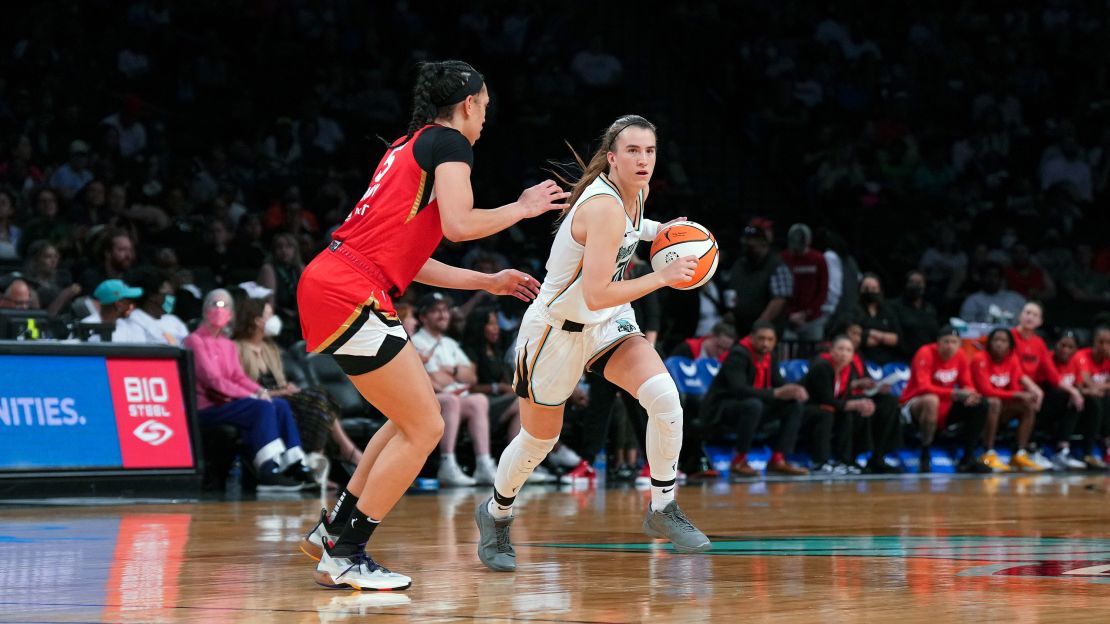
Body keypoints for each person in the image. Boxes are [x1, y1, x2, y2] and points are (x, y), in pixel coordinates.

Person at [297, 60, 566, 591]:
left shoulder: (408, 145)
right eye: (485, 104)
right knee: (426, 427)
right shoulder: (449, 145)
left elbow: (410, 260)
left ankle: (334, 529)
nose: (487, 115)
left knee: (405, 421)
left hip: (339, 280)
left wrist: (486, 282)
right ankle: (346, 554)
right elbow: (461, 224)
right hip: (350, 289)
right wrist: (522, 207)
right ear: (468, 104)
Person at [474, 114, 711, 575]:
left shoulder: (637, 194)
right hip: (556, 330)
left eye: (650, 151)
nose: (643, 160)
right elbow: (596, 290)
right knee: (538, 442)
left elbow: (630, 236)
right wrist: (661, 276)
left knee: (665, 399)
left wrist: (665, 230)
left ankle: (663, 508)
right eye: (633, 152)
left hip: (607, 322)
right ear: (612, 158)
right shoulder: (600, 206)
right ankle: (496, 513)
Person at [185, 289, 315, 491]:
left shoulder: (227, 344)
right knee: (261, 408)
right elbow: (213, 380)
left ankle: (295, 462)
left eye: (225, 305)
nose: (220, 310)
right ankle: (267, 470)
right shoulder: (195, 341)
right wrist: (252, 395)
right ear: (205, 309)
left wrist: (260, 391)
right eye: (215, 304)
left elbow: (238, 376)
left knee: (278, 404)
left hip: (230, 404)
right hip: (208, 406)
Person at [232, 297, 364, 473]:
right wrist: (280, 392)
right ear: (256, 320)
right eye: (269, 315)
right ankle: (335, 454)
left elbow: (280, 381)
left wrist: (286, 388)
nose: (274, 320)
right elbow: (245, 387)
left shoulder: (271, 348)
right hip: (262, 400)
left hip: (282, 397)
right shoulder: (236, 348)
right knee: (318, 398)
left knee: (321, 398)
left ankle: (321, 459)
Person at [411, 291, 497, 487]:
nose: (443, 315)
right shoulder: (416, 342)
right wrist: (456, 375)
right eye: (436, 311)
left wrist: (453, 370)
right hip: (430, 400)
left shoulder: (450, 343)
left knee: (479, 400)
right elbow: (434, 380)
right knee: (451, 400)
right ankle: (447, 463)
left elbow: (472, 377)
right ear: (423, 317)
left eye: (445, 310)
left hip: (454, 398)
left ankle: (484, 463)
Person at [703, 321, 810, 478]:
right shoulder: (738, 354)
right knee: (753, 405)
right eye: (761, 338)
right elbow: (739, 390)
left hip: (752, 407)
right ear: (752, 337)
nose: (765, 343)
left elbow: (778, 383)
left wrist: (794, 390)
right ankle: (739, 460)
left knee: (793, 405)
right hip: (723, 408)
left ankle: (778, 459)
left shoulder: (769, 356)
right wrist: (776, 393)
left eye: (770, 339)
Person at [901, 326, 992, 473]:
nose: (950, 346)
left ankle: (968, 458)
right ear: (938, 343)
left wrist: (970, 395)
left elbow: (967, 383)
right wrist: (955, 393)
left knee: (980, 404)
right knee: (931, 400)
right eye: (946, 342)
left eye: (954, 342)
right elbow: (923, 387)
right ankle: (925, 453)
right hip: (915, 404)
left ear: (959, 344)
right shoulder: (925, 353)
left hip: (945, 404)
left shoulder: (961, 355)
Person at [1010, 302, 1085, 469]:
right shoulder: (1010, 337)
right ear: (1020, 315)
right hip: (1014, 390)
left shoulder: (1039, 343)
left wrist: (1074, 391)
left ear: (1040, 321)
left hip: (1035, 392)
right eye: (1027, 312)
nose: (1030, 317)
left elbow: (1052, 374)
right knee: (1034, 399)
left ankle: (1062, 450)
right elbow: (1013, 369)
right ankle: (1029, 449)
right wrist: (1033, 388)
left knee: (1070, 398)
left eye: (1035, 315)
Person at [970, 328, 1045, 472]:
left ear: (1010, 346)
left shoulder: (1012, 360)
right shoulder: (980, 359)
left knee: (1027, 404)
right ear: (989, 343)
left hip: (1001, 409)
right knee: (994, 402)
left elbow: (1014, 387)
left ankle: (1019, 453)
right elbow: (985, 391)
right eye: (995, 340)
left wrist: (1026, 394)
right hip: (980, 408)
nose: (999, 344)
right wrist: (1017, 395)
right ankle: (988, 452)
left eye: (1003, 341)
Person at [725, 218, 792, 336]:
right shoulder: (740, 264)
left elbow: (779, 300)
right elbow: (732, 290)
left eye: (752, 241)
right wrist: (731, 311)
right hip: (739, 330)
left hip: (765, 333)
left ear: (764, 242)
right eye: (746, 240)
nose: (747, 243)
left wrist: (761, 323)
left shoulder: (776, 265)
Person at [1050, 331, 1105, 470]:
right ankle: (1061, 451)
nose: (1065, 350)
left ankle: (1088, 452)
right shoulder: (1048, 358)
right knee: (1071, 397)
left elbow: (1079, 386)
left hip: (1067, 408)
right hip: (1045, 406)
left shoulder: (1075, 362)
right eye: (1063, 345)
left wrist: (1083, 392)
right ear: (1055, 345)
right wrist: (1076, 392)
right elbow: (1055, 381)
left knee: (1093, 401)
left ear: (1076, 349)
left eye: (1070, 347)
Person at [781, 223, 829, 342]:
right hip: (787, 318)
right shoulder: (782, 258)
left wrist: (807, 313)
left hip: (812, 319)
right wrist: (789, 313)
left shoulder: (818, 259)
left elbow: (823, 289)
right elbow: (778, 290)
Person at [125, 267, 189, 345]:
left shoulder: (174, 320)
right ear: (153, 296)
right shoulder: (135, 319)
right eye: (168, 294)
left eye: (173, 295)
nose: (172, 299)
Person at [1074, 327, 1110, 466]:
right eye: (1101, 342)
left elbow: (1095, 386)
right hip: (1082, 403)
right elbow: (1084, 383)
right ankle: (1088, 452)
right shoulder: (1082, 356)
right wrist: (1104, 386)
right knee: (1096, 402)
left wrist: (1099, 387)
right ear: (1093, 342)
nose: (1104, 346)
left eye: (1108, 343)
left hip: (1102, 402)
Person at [852, 273, 902, 365]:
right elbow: (855, 337)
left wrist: (872, 333)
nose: (870, 291)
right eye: (866, 288)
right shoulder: (854, 310)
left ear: (879, 290)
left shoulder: (887, 310)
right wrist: (884, 338)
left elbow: (896, 338)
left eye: (874, 288)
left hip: (888, 361)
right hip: (862, 359)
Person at [890, 270, 939, 360]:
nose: (915, 285)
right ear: (905, 284)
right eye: (911, 282)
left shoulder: (929, 308)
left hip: (927, 357)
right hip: (903, 358)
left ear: (924, 286)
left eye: (919, 282)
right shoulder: (894, 306)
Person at [81, 279, 146, 342]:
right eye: (129, 301)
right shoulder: (85, 327)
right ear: (119, 304)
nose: (132, 305)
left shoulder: (130, 327)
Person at [959, 263, 1026, 324]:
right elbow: (966, 325)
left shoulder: (1015, 298)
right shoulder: (973, 300)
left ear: (1001, 279)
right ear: (981, 278)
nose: (991, 279)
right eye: (988, 275)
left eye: (995, 276)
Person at [670, 321, 738, 362]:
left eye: (725, 349)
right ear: (710, 336)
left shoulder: (726, 360)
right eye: (718, 346)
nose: (720, 352)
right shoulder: (687, 349)